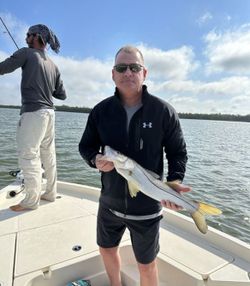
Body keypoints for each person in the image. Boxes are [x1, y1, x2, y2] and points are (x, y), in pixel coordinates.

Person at [79, 45, 190, 286]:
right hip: (109, 204)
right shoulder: (100, 111)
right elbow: (86, 146)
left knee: (147, 265)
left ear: (144, 73)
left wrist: (175, 182)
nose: (128, 72)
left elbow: (177, 152)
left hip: (148, 207)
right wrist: (94, 160)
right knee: (106, 251)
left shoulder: (163, 112)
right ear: (113, 74)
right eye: (121, 67)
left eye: (134, 67)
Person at [0, 24, 66, 211]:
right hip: (49, 114)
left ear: (37, 37)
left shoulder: (26, 53)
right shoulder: (53, 65)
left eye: (28, 35)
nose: (25, 37)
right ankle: (50, 193)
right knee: (48, 155)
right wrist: (46, 83)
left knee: (28, 156)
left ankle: (31, 201)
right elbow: (62, 95)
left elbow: (3, 68)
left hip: (33, 113)